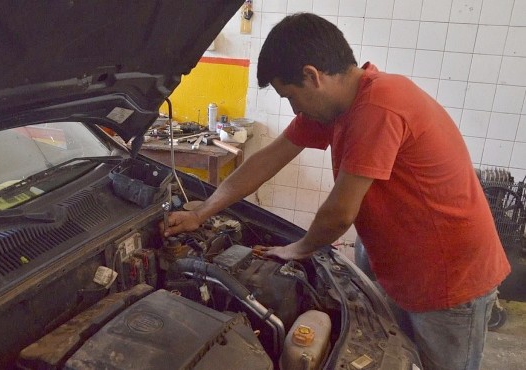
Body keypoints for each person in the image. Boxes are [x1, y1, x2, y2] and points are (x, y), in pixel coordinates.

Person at [161, 12, 510, 370]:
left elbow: (340, 212)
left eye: (290, 96)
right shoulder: (339, 107)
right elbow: (266, 161)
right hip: (403, 268)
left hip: (449, 281)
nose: (294, 108)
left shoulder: (379, 106)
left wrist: (296, 250)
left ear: (312, 77)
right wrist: (201, 213)